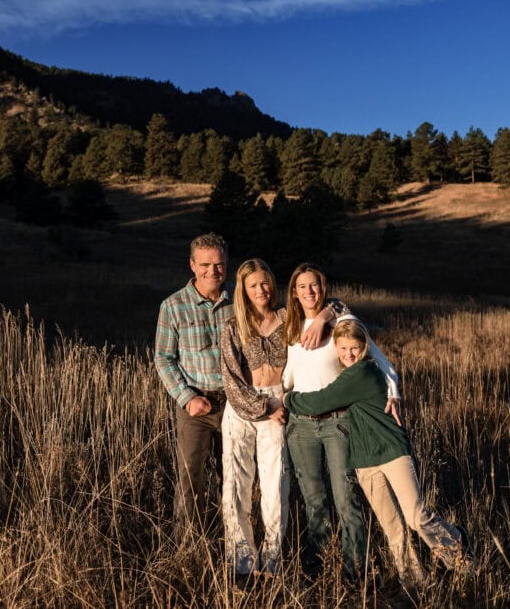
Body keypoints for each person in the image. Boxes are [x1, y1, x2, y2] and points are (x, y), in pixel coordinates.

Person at [283, 319, 472, 587]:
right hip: (364, 460)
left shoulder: (365, 373)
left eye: (355, 348)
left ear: (365, 347)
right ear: (336, 348)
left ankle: (457, 546)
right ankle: (415, 580)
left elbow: (319, 401)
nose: (349, 354)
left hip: (392, 451)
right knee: (392, 526)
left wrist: (287, 398)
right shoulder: (347, 374)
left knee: (416, 515)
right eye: (344, 348)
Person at [219, 258, 341, 575]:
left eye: (266, 282)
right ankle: (243, 563)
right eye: (253, 285)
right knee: (235, 487)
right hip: (243, 410)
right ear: (243, 290)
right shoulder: (233, 326)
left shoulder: (288, 317)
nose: (262, 289)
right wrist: (265, 407)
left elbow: (338, 305)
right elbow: (231, 381)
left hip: (278, 405)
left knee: (276, 485)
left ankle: (271, 561)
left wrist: (324, 315)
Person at [281, 263, 402, 579]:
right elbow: (290, 374)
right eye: (303, 286)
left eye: (316, 285)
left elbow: (378, 358)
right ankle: (316, 565)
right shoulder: (290, 326)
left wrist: (393, 393)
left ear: (324, 288)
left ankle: (354, 570)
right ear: (294, 292)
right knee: (313, 499)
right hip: (301, 426)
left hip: (338, 423)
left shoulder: (341, 320)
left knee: (346, 497)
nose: (310, 292)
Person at [154, 233, 233, 533]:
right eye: (205, 265)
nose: (212, 271)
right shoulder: (173, 306)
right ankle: (187, 546)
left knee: (235, 477)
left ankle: (235, 544)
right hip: (195, 405)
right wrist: (186, 397)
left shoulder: (238, 301)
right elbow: (163, 358)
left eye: (219, 264)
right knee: (191, 479)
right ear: (191, 265)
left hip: (234, 406)